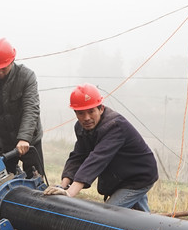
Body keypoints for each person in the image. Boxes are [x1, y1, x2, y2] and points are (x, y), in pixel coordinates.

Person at [43, 83, 158, 211]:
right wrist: (63, 186)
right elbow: (78, 156)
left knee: (108, 215)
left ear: (101, 109)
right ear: (75, 113)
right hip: (121, 174)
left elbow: (97, 159)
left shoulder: (115, 126)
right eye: (81, 113)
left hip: (138, 176)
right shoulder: (81, 127)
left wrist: (70, 193)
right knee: (140, 218)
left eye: (91, 111)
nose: (86, 118)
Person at [0, 38, 46, 179]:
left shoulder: (26, 76)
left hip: (30, 141)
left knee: (36, 181)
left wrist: (24, 138)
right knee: (0, 183)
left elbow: (31, 108)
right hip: (4, 142)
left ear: (12, 61)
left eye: (3, 68)